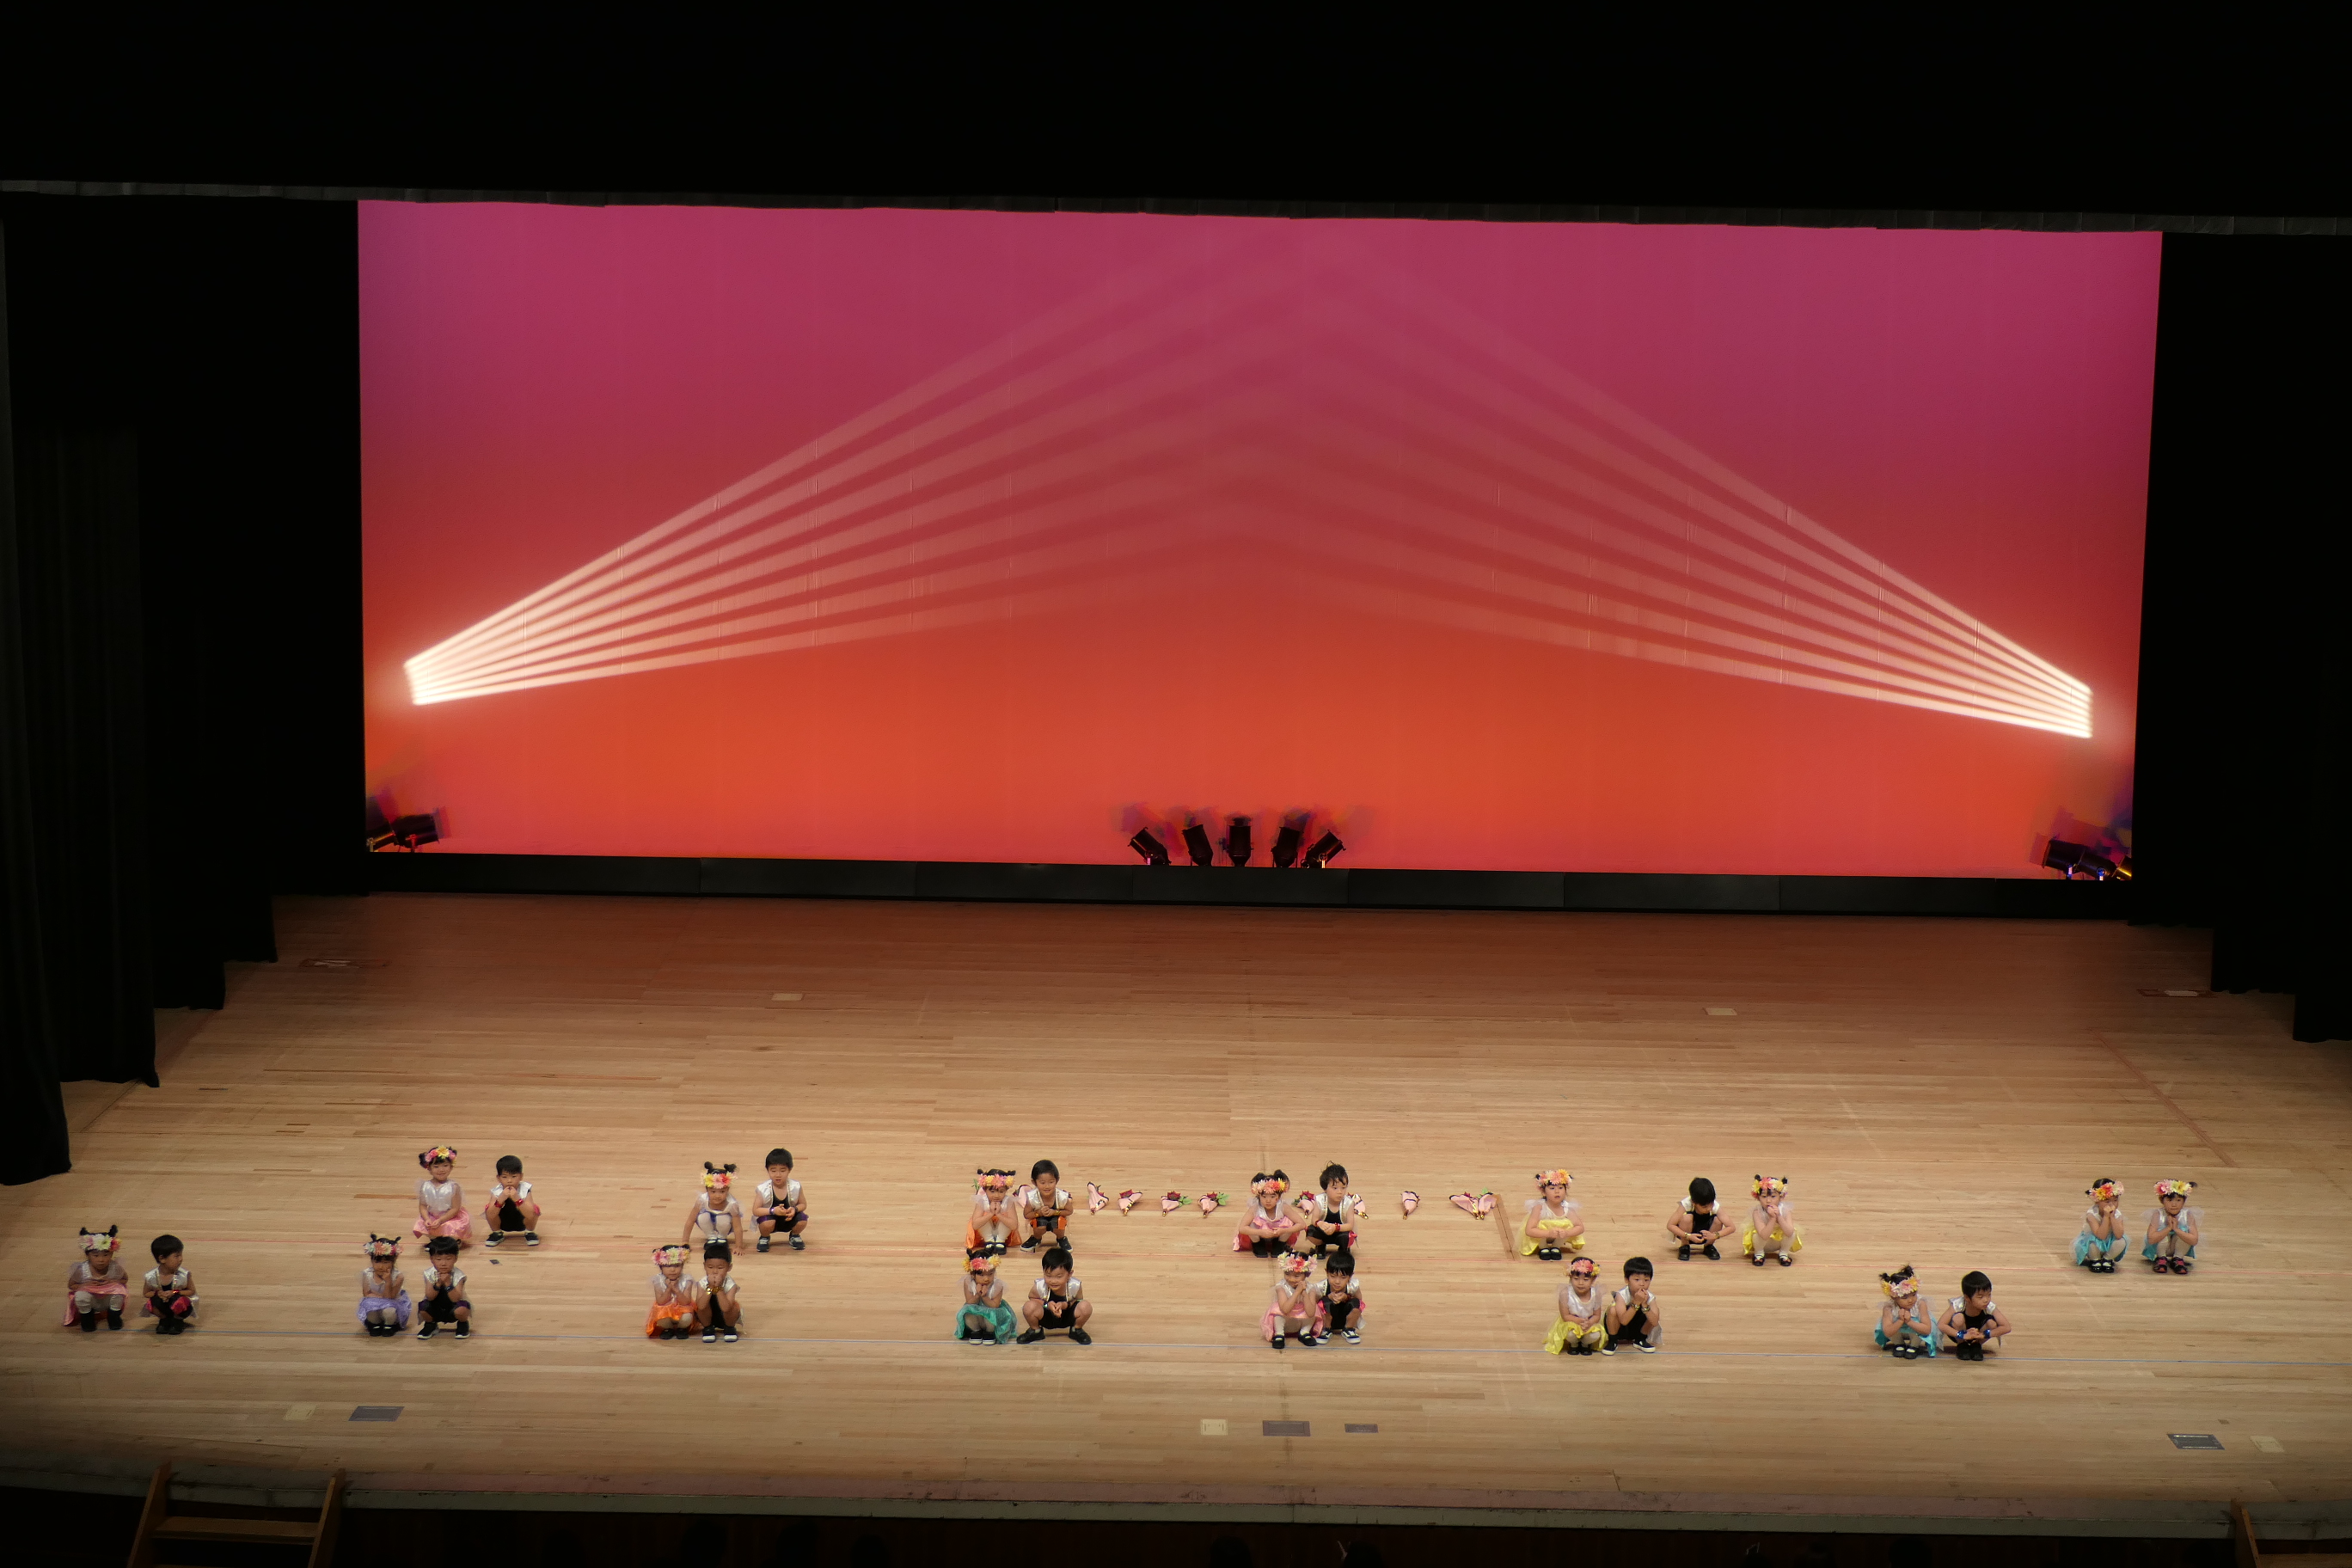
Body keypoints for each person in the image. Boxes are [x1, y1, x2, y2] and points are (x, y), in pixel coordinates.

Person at [1017, 1246, 1091, 1344]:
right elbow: (1032, 1297)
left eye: (1059, 1277)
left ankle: (1076, 1329)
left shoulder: (1075, 1285)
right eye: (1048, 1276)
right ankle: (1036, 1330)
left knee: (1086, 1306)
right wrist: (1047, 1305)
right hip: (1046, 1316)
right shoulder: (1040, 1286)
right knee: (1028, 1306)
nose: (1053, 1281)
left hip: (1067, 1316)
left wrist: (1065, 1305)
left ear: (1069, 1274)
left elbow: (1079, 1301)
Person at [64, 1227, 132, 1332]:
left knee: (119, 1292)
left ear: (112, 1253)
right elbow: (71, 1285)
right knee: (81, 1295)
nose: (101, 1260)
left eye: (106, 1255)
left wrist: (113, 1282)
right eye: (96, 1255)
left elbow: (124, 1280)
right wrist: (83, 1286)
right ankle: (87, 1319)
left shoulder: (115, 1267)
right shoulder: (82, 1269)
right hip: (91, 1300)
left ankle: (114, 1317)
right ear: (88, 1255)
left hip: (108, 1299)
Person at [1543, 1255, 1608, 1356]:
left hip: (1588, 1323)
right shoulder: (1565, 1294)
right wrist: (1580, 1321)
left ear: (1593, 1279)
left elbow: (1597, 1315)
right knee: (1570, 1334)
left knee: (1595, 1335)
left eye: (1586, 1280)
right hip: (1571, 1322)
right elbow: (1565, 1316)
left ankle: (1585, 1345)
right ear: (1570, 1277)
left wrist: (1589, 1323)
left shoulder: (1596, 1294)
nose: (1580, 1283)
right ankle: (1574, 1345)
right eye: (1576, 1278)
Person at [1942, 1271, 2012, 1361]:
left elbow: (2006, 1327)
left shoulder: (1989, 1306)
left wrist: (1983, 1335)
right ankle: (1962, 1345)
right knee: (1958, 1318)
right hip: (1960, 1335)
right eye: (1980, 1297)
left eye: (1989, 1295)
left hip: (1979, 1334)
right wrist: (1962, 1335)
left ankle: (1977, 1345)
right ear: (1967, 1298)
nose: (1986, 1300)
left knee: (1992, 1323)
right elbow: (1941, 1325)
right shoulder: (1958, 1304)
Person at [1872, 1265, 1936, 1360]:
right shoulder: (1889, 1307)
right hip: (1898, 1332)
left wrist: (1909, 1322)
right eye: (1904, 1297)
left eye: (1913, 1295)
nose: (1910, 1300)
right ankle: (1899, 1343)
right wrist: (1900, 1321)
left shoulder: (1920, 1304)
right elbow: (1888, 1332)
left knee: (1918, 1325)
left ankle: (1914, 1345)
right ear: (1894, 1296)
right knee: (1890, 1324)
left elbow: (1927, 1330)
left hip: (1915, 1332)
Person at [1234, 1172, 1303, 1256]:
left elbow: (1302, 1224)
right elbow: (1242, 1228)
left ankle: (1280, 1244)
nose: (1268, 1200)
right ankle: (1258, 1245)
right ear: (1259, 1196)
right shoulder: (1255, 1208)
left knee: (1289, 1221)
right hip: (1259, 1236)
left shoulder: (1283, 1207)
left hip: (1279, 1235)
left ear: (1278, 1197)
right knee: (1251, 1223)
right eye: (1264, 1197)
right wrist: (1260, 1232)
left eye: (1272, 1197)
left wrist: (1284, 1231)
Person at [413, 1146, 473, 1244]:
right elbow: (423, 1206)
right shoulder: (425, 1186)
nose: (441, 1170)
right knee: (422, 1224)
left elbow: (455, 1208)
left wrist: (441, 1220)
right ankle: (435, 1239)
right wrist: (427, 1219)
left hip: (450, 1217)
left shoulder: (453, 1187)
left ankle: (452, 1241)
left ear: (451, 1167)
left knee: (451, 1227)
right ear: (429, 1168)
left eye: (445, 1165)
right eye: (436, 1167)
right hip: (433, 1216)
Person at [1299, 1163, 1362, 1257]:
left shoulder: (1349, 1203)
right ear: (1325, 1188)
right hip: (1324, 1232)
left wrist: (1336, 1228)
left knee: (1347, 1237)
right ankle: (1320, 1246)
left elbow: (1350, 1225)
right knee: (1311, 1231)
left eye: (1343, 1188)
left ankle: (1343, 1249)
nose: (1340, 1192)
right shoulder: (1319, 1200)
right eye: (1335, 1188)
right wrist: (1320, 1223)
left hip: (1340, 1233)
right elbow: (1314, 1220)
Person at [1520, 1170, 1584, 1260]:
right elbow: (1529, 1230)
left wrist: (1567, 1233)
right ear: (1543, 1192)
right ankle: (1543, 1247)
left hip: (1558, 1237)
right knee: (1541, 1224)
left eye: (1560, 1188)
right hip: (1542, 1236)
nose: (1557, 1191)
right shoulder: (1539, 1208)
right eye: (1552, 1188)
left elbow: (1580, 1227)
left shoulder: (1567, 1208)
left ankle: (1556, 1246)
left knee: (1569, 1224)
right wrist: (1548, 1233)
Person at [1666, 1176, 1735, 1262]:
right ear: (1693, 1202)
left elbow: (1731, 1227)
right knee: (1686, 1218)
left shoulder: (1715, 1206)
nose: (1709, 1209)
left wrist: (1714, 1235)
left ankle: (1708, 1246)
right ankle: (1685, 1246)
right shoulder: (1686, 1204)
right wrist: (1688, 1236)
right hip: (1688, 1234)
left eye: (1711, 1204)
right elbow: (1670, 1225)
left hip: (1708, 1235)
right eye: (1704, 1207)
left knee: (1718, 1220)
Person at [1602, 1257, 1662, 1353]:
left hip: (1636, 1327)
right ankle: (1612, 1341)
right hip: (1621, 1328)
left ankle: (1640, 1339)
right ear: (1627, 1279)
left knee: (1654, 1312)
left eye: (1646, 1280)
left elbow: (1654, 1322)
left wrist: (1645, 1306)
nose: (1642, 1284)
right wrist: (1636, 1302)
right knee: (1613, 1310)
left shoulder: (1650, 1297)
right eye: (1637, 1280)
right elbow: (1623, 1321)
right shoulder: (1621, 1295)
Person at [415, 1236, 471, 1339]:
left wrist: (448, 1283)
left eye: (448, 1259)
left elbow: (456, 1299)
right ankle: (431, 1325)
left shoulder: (459, 1275)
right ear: (432, 1259)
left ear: (455, 1258)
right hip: (436, 1306)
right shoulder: (429, 1273)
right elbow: (430, 1296)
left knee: (462, 1309)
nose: (443, 1263)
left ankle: (463, 1324)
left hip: (453, 1306)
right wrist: (438, 1283)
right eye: (438, 1259)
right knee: (423, 1308)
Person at [754, 1148, 809, 1253]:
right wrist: (773, 1211)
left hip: (789, 1218)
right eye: (773, 1171)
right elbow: (756, 1210)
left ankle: (794, 1236)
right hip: (770, 1219)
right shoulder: (763, 1189)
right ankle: (764, 1237)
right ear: (767, 1170)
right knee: (767, 1223)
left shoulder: (795, 1186)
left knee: (803, 1219)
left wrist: (794, 1209)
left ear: (789, 1170)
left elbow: (803, 1204)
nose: (778, 1175)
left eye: (782, 1170)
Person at [143, 1234, 199, 1335]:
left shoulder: (184, 1274)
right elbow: (146, 1293)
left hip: (178, 1304)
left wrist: (175, 1292)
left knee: (180, 1302)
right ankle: (164, 1320)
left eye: (181, 1255)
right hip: (163, 1304)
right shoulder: (151, 1276)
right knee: (152, 1303)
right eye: (177, 1256)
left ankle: (177, 1321)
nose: (181, 1259)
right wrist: (158, 1293)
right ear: (162, 1259)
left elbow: (191, 1291)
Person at [2143, 1179, 2202, 1274]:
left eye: (2178, 1200)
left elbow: (2194, 1240)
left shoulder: (2187, 1215)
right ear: (2162, 1200)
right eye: (2169, 1200)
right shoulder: (2158, 1214)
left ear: (2184, 1201)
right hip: (2161, 1248)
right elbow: (2151, 1239)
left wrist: (2176, 1229)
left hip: (2177, 1247)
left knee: (2184, 1233)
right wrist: (2168, 1228)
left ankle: (2178, 1258)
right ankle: (2161, 1258)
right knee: (2162, 1233)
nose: (2174, 1204)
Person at [684, 1163, 748, 1248]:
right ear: (707, 1190)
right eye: (713, 1192)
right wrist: (685, 1241)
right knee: (702, 1217)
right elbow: (690, 1220)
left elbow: (737, 1227)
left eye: (722, 1192)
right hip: (709, 1221)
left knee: (722, 1218)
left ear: (728, 1190)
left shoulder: (732, 1204)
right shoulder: (702, 1200)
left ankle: (722, 1237)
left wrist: (739, 1247)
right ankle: (711, 1237)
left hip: (725, 1224)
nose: (717, 1196)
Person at [957, 1253, 1016, 1344]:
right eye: (982, 1275)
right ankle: (976, 1330)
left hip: (991, 1310)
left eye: (990, 1274)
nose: (986, 1279)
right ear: (972, 1274)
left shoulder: (997, 1285)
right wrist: (978, 1295)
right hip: (975, 1310)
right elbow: (969, 1302)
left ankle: (989, 1332)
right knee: (967, 1311)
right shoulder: (968, 1282)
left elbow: (995, 1305)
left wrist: (984, 1297)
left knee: (991, 1313)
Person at [483, 1155, 541, 1248]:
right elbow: (490, 1214)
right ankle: (497, 1233)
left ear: (521, 1176)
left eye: (514, 1176)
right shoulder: (496, 1191)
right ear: (498, 1178)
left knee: (534, 1209)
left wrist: (518, 1199)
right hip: (504, 1221)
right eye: (504, 1177)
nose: (509, 1181)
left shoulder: (525, 1189)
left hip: (521, 1220)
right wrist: (500, 1200)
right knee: (488, 1208)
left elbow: (530, 1214)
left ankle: (529, 1232)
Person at [1020, 1161, 1076, 1255]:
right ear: (1034, 1182)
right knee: (1040, 1225)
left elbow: (1070, 1210)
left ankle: (1061, 1239)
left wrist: (1055, 1212)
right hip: (1040, 1218)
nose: (1047, 1186)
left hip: (1056, 1217)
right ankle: (1036, 1238)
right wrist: (1039, 1213)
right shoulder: (1032, 1197)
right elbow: (1026, 1214)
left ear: (1057, 1180)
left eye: (1051, 1182)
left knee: (1058, 1223)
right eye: (1042, 1183)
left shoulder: (1062, 1196)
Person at [1744, 1176, 1802, 1268]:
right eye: (1764, 1196)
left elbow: (1789, 1232)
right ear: (1758, 1197)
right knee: (1756, 1235)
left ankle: (1784, 1253)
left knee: (1793, 1232)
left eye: (1773, 1196)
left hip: (1779, 1242)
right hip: (1764, 1243)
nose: (1768, 1200)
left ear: (1781, 1196)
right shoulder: (1757, 1212)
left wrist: (1779, 1216)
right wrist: (1772, 1218)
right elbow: (1764, 1235)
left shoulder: (1785, 1210)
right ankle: (1759, 1254)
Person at [1264, 1250, 1316, 1350]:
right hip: (1286, 1319)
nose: (1291, 1279)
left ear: (1306, 1274)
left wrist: (1304, 1294)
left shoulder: (1311, 1288)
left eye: (1297, 1276)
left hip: (1301, 1320)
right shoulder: (1281, 1287)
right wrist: (1297, 1292)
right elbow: (1285, 1309)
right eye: (1287, 1274)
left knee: (1314, 1309)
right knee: (1277, 1311)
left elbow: (1311, 1313)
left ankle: (1304, 1332)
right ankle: (1279, 1334)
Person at [1311, 1249, 1366, 1344]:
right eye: (1333, 1276)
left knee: (1357, 1303)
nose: (1337, 1281)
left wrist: (1346, 1298)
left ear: (1350, 1276)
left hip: (1345, 1317)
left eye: (1343, 1277)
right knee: (1324, 1302)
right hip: (1327, 1318)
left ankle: (1349, 1328)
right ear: (1327, 1273)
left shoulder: (1353, 1286)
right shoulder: (1321, 1287)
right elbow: (1313, 1305)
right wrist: (1328, 1297)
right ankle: (1326, 1329)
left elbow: (1359, 1301)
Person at [358, 1234, 409, 1336]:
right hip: (374, 1301)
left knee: (389, 1312)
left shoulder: (398, 1276)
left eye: (386, 1262)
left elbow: (390, 1297)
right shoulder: (367, 1274)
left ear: (393, 1261)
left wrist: (388, 1281)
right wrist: (381, 1298)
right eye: (377, 1262)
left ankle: (390, 1325)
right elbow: (367, 1294)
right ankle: (375, 1324)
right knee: (371, 1311)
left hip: (392, 1303)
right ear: (372, 1260)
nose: (381, 1266)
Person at [2074, 1179, 2128, 1273]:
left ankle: (2107, 1259)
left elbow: (2119, 1234)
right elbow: (2101, 1236)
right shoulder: (2092, 1215)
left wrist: (2112, 1217)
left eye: (2115, 1200)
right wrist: (2106, 1217)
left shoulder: (2117, 1215)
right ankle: (2095, 1260)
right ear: (2097, 1200)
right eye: (2107, 1201)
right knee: (2092, 1244)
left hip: (2109, 1242)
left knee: (2122, 1242)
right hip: (2096, 1241)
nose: (2112, 1204)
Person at [646, 1245, 698, 1339]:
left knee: (687, 1317)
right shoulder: (658, 1280)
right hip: (666, 1310)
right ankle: (668, 1328)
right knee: (660, 1317)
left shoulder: (687, 1280)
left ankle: (681, 1328)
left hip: (682, 1309)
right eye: (668, 1266)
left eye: (677, 1265)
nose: (673, 1269)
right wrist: (669, 1288)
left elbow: (686, 1302)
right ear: (660, 1266)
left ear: (682, 1265)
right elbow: (661, 1302)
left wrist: (676, 1289)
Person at [696, 1241, 743, 1344]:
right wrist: (710, 1287)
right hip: (708, 1316)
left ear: (729, 1267)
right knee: (701, 1307)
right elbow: (700, 1306)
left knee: (734, 1308)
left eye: (720, 1268)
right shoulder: (702, 1283)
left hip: (725, 1316)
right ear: (704, 1266)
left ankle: (729, 1328)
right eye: (710, 1267)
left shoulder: (731, 1285)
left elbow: (726, 1308)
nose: (715, 1271)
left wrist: (718, 1288)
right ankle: (708, 1328)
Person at [967, 1169, 1020, 1258]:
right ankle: (989, 1241)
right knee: (982, 1219)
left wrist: (999, 1214)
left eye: (1001, 1192)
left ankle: (1000, 1241)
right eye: (992, 1191)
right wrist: (991, 1213)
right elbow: (975, 1225)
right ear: (985, 1189)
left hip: (1003, 1232)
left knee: (1007, 1219)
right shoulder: (982, 1201)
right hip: (986, 1231)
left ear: (1006, 1189)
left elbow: (1014, 1225)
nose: (996, 1195)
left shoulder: (1009, 1202)